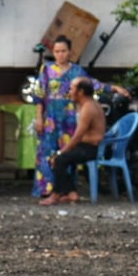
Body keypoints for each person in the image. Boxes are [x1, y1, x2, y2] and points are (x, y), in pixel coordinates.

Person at [32, 36, 128, 198]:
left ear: (69, 52)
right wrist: (39, 118)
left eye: (63, 51)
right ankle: (47, 189)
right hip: (51, 119)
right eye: (57, 52)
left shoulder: (77, 71)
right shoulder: (46, 70)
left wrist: (113, 88)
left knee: (67, 152)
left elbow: (93, 85)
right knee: (47, 152)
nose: (60, 55)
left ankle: (66, 190)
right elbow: (39, 95)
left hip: (70, 119)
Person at [39, 77, 106, 206]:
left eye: (72, 88)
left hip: (90, 148)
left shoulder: (88, 108)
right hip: (85, 145)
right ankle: (72, 193)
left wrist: (62, 152)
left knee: (58, 159)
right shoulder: (87, 104)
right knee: (58, 159)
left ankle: (55, 195)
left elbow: (77, 136)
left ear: (80, 92)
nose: (69, 90)